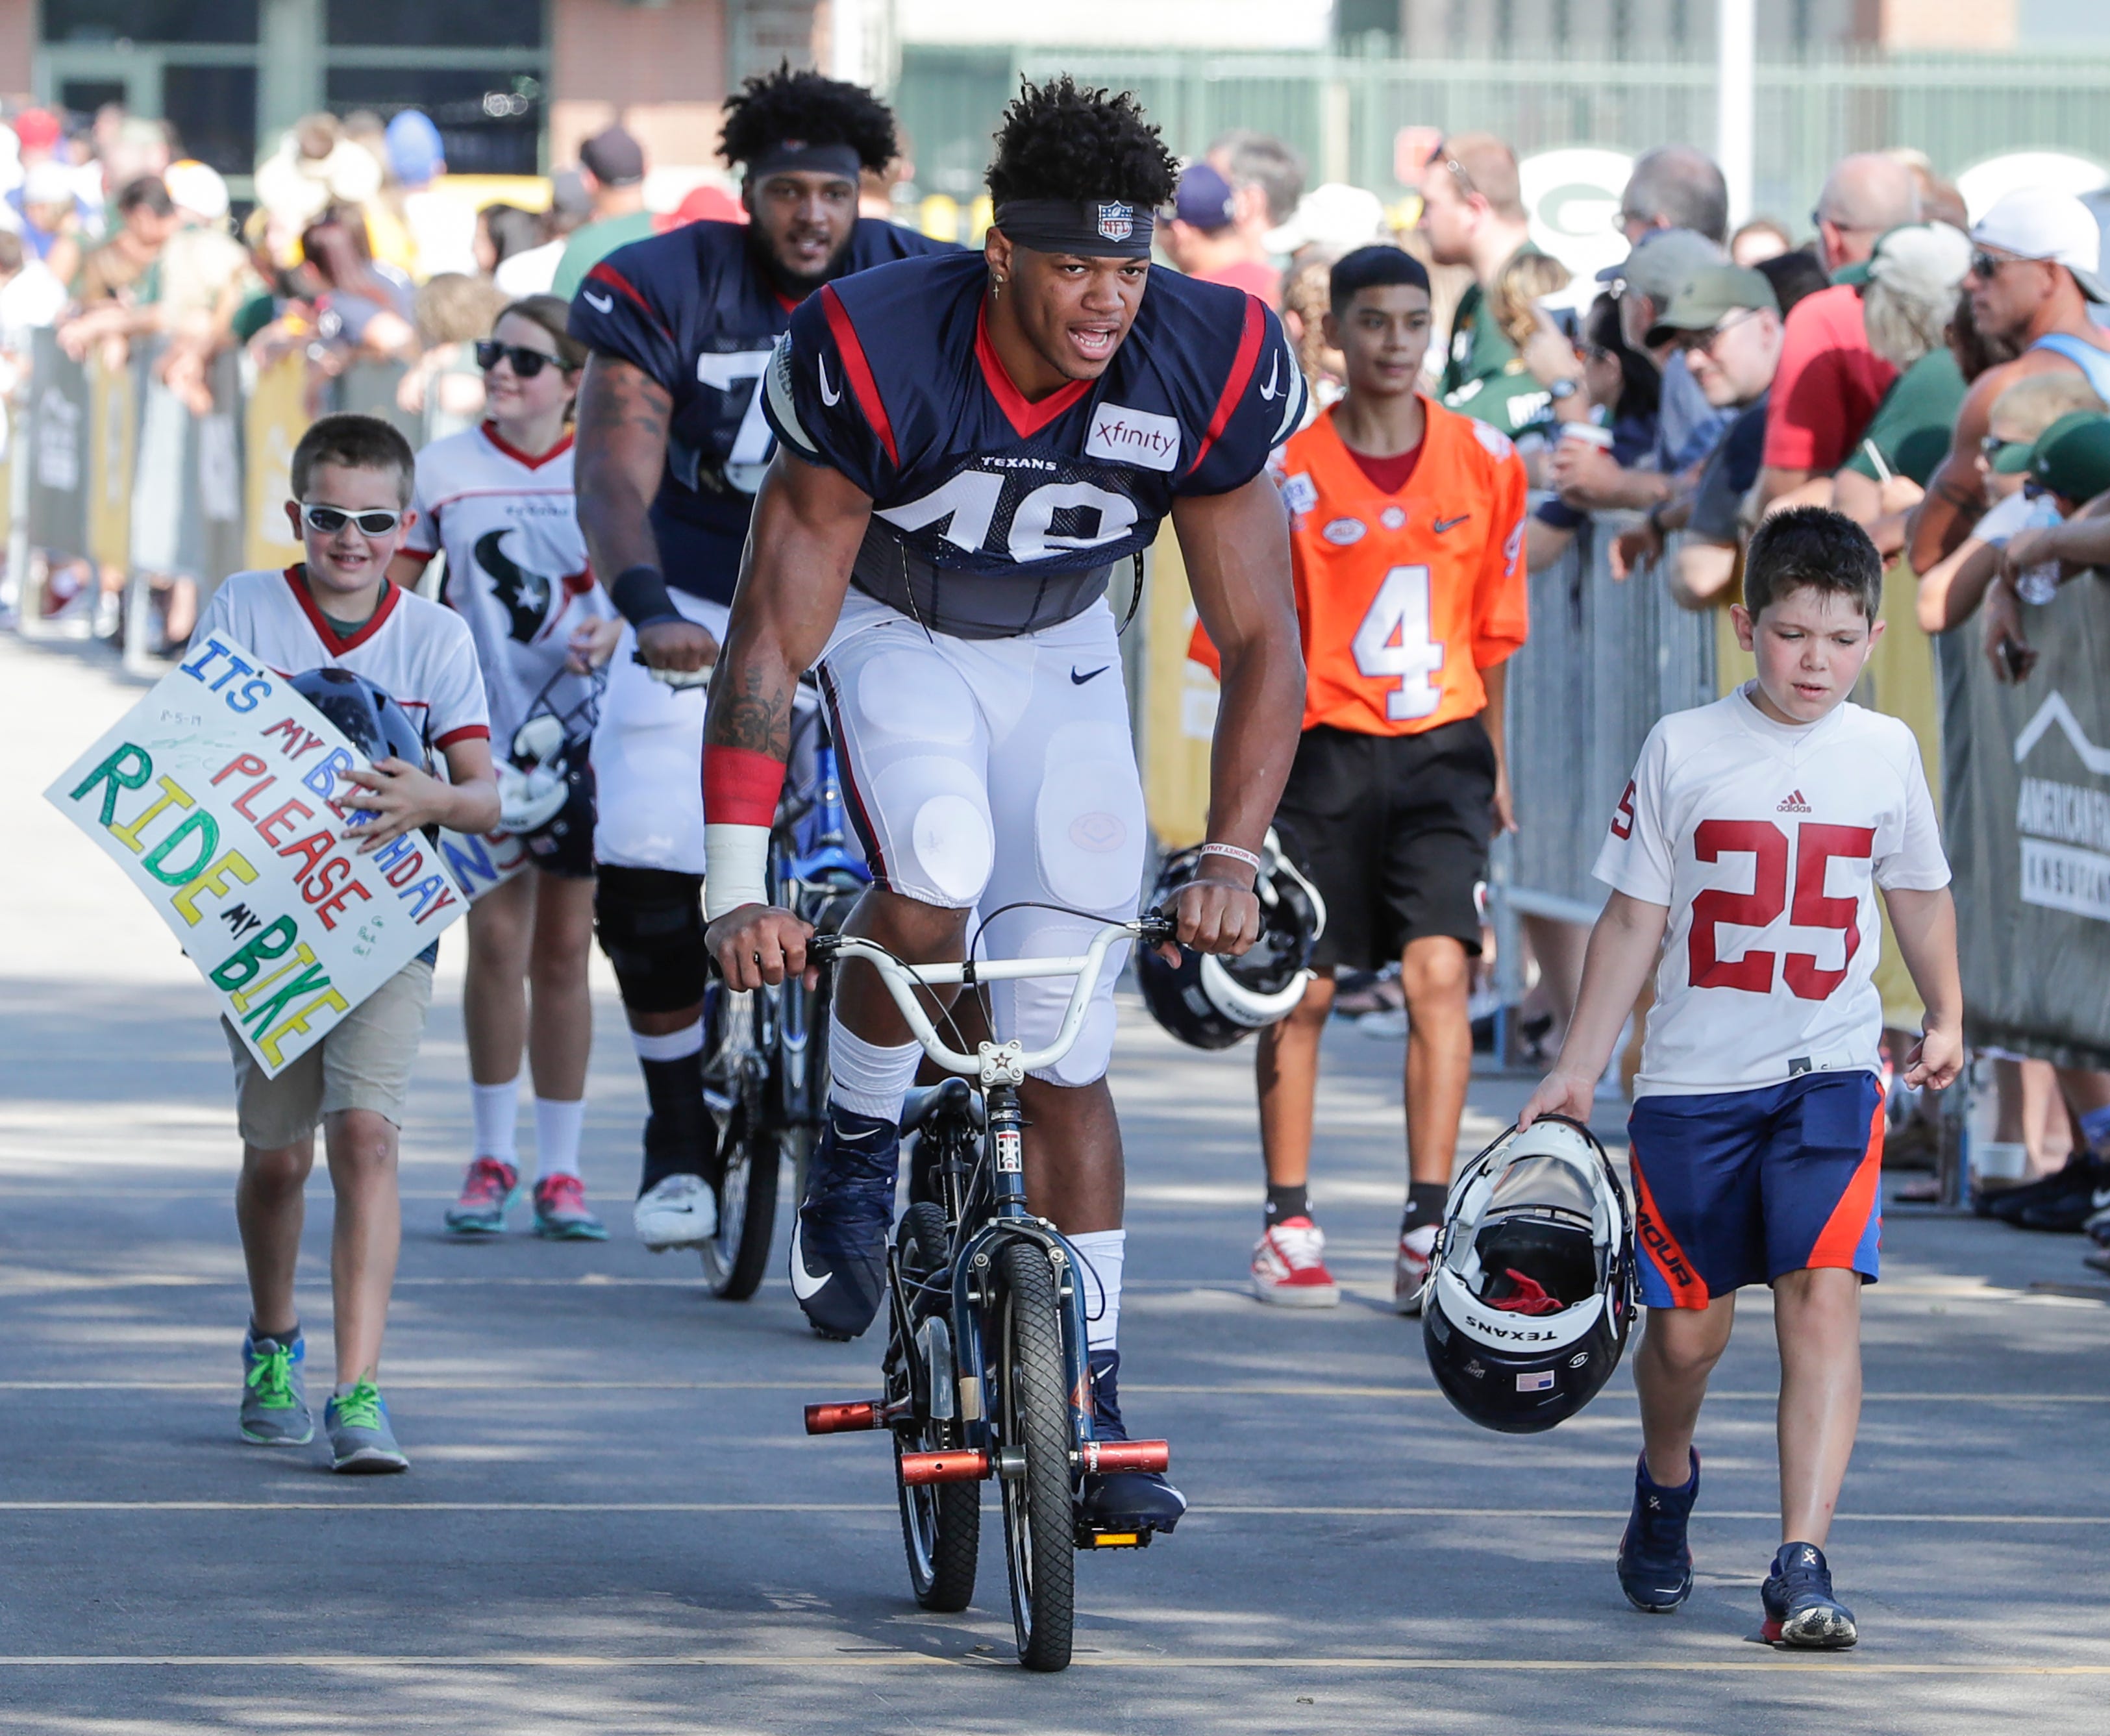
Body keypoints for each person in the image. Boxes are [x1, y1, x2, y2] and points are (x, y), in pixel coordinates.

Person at [702, 75, 1306, 1533]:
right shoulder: (877, 341)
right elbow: (772, 634)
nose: (1106, 298)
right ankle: (853, 1134)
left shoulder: (1207, 352)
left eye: (1128, 265)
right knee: (939, 859)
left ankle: (1082, 1383)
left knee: (1059, 1028)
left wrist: (1230, 849)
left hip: (1059, 646)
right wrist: (734, 880)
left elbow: (1266, 641)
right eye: (1074, 266)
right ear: (1001, 255)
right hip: (892, 628)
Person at [1520, 505, 1962, 1649]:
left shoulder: (1886, 750)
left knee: (1822, 1287)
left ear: (1871, 634)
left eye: (1839, 636)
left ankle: (1801, 1557)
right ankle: (1666, 1483)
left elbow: (1916, 888)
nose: (1813, 660)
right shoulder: (1685, 745)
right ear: (1743, 623)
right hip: (1693, 1084)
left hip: (1829, 1072)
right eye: (1789, 632)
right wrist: (1576, 1066)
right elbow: (1632, 917)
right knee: (1686, 1335)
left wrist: (1949, 1010)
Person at [568, 66, 950, 1252]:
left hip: (872, 594)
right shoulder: (666, 281)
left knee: (946, 853)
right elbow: (613, 470)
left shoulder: (922, 276)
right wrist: (644, 606)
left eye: (831, 191)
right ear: (746, 191)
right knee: (643, 840)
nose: (811, 217)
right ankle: (677, 1122)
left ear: (862, 192)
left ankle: (915, 1133)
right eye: (786, 190)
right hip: (700, 590)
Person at [1192, 245, 1525, 1310]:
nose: (1393, 343)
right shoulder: (1284, 467)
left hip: (1441, 749)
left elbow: (1493, 637)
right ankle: (1288, 1218)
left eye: (1412, 323)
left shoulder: (1485, 459)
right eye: (1371, 322)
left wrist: (1499, 767)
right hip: (1322, 749)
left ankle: (1428, 1220)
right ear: (1333, 333)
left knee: (1440, 974)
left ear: (1433, 331)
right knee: (1306, 987)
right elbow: (1244, 645)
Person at [191, 414, 501, 1471]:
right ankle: (272, 1338)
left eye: (374, 520)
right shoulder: (243, 607)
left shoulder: (435, 636)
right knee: (278, 1154)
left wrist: (435, 796)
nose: (352, 539)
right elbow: (186, 757)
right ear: (298, 516)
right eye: (330, 517)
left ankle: (358, 1389)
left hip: (389, 918)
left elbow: (487, 799)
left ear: (405, 524)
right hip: (269, 913)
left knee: (365, 1133)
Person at [390, 298, 619, 1241]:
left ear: (574, 383)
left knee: (565, 952)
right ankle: (491, 1153)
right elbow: (396, 596)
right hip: (477, 739)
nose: (500, 373)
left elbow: (653, 585)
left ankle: (561, 1171)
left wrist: (626, 627)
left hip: (587, 740)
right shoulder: (443, 466)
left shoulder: (608, 463)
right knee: (494, 944)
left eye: (524, 361)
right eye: (491, 355)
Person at [1909, 187, 2110, 576]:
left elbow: (1927, 553)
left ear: (2049, 274)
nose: (1969, 282)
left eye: (1987, 264)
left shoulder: (2007, 388)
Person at [1749, 155, 1921, 515]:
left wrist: (1747, 512)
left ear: (1830, 236)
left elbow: (1790, 478)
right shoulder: (1964, 299)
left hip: (1857, 555)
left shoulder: (1821, 318)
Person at [1630, 266, 1786, 606]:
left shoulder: (1758, 426)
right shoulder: (1825, 383)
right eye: (1685, 347)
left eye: (1708, 338)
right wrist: (1663, 520)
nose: (1693, 362)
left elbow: (1698, 579)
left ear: (1765, 326)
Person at [1420, 133, 1538, 401]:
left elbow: (1517, 406)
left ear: (1474, 209)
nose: (1420, 222)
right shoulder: (1477, 295)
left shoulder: (1532, 286)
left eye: (1428, 205)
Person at [549, 129, 653, 301]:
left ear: (589, 181)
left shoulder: (582, 249)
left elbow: (559, 322)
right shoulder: (679, 232)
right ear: (647, 169)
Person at [1162, 161, 1280, 304]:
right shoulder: (1278, 283)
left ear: (1179, 234)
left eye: (1159, 230)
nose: (1157, 241)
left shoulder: (1189, 301)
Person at [1618, 145, 1730, 246]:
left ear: (1656, 227)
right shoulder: (1740, 268)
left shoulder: (1627, 269)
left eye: (1626, 219)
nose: (1624, 231)